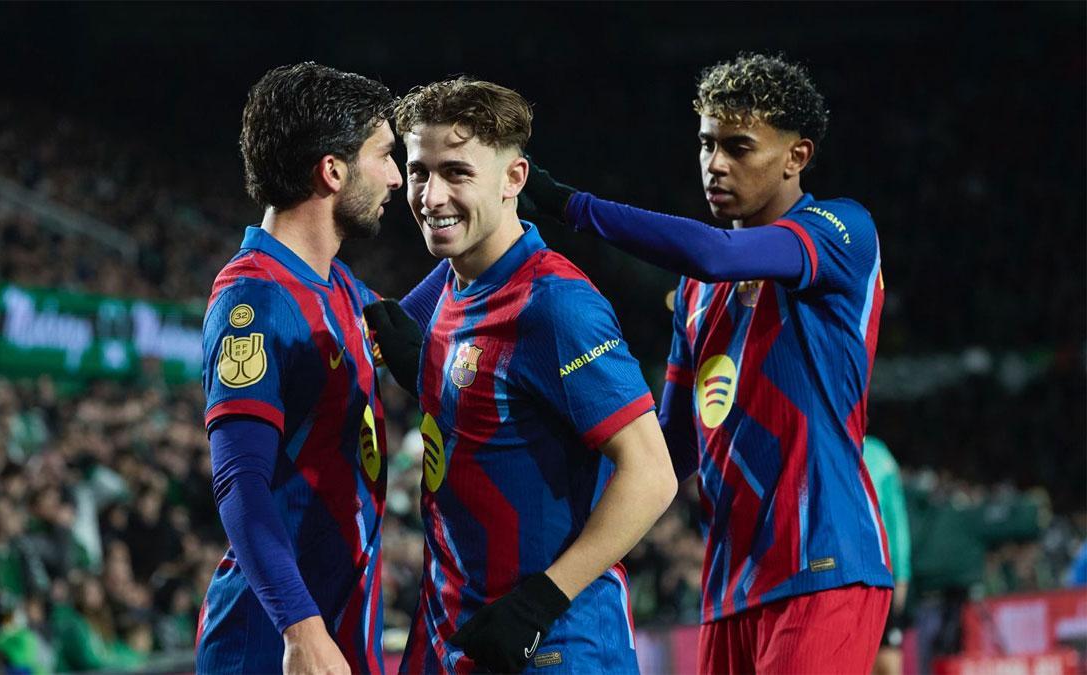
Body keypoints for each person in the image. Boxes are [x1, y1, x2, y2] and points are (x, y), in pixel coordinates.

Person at [521, 52, 893, 673]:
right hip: (730, 587)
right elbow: (671, 448)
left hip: (824, 562)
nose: (715, 164)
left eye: (739, 147)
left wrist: (570, 206)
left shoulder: (840, 232)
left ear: (796, 157)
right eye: (706, 144)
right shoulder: (696, 294)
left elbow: (718, 253)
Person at [366, 77, 677, 674]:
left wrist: (539, 601)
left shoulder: (554, 304)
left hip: (555, 643)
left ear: (514, 179)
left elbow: (652, 473)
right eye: (419, 171)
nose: (431, 196)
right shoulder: (456, 291)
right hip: (459, 635)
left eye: (457, 172)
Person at [194, 62, 401, 675]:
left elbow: (419, 327)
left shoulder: (338, 286)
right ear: (332, 171)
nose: (396, 178)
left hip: (338, 624)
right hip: (272, 642)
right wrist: (300, 630)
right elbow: (240, 482)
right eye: (385, 156)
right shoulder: (253, 299)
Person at [863, 435, 912, 675]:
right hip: (851, 572)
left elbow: (896, 520)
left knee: (886, 660)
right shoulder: (828, 441)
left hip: (879, 572)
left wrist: (902, 573)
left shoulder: (879, 455)